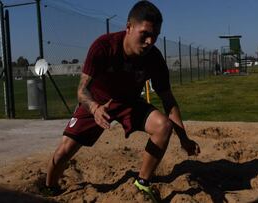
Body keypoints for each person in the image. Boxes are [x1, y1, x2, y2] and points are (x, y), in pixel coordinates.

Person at [44, 1, 200, 201]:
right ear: (129, 27)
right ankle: (50, 188)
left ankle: (142, 182)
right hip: (97, 102)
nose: (150, 41)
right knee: (63, 152)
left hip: (129, 103)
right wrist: (94, 108)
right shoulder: (103, 46)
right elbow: (82, 90)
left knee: (163, 126)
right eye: (144, 34)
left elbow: (168, 100)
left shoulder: (154, 58)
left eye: (155, 36)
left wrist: (184, 138)